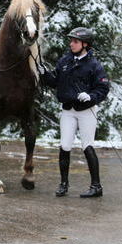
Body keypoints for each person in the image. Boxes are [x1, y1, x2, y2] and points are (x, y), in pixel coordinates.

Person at [41, 27, 109, 198]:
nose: (71, 44)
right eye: (71, 41)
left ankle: (96, 186)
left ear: (85, 44)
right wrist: (44, 74)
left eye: (75, 41)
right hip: (68, 110)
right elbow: (55, 80)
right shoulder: (65, 61)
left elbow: (103, 88)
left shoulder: (95, 65)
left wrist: (91, 96)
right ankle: (63, 184)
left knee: (87, 145)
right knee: (64, 145)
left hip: (87, 111)